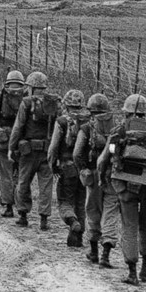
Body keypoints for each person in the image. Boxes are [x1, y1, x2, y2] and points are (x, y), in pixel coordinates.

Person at [96, 94, 146, 285]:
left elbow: (103, 159)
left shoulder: (119, 130)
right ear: (144, 112)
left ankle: (132, 273)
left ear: (127, 112)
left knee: (129, 227)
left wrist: (101, 177)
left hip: (125, 186)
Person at [73, 93, 120, 268]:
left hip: (93, 176)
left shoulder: (86, 128)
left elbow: (77, 153)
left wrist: (82, 169)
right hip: (113, 176)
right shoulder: (116, 127)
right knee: (110, 212)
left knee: (92, 211)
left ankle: (93, 252)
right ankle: (106, 255)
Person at [8, 71, 57, 229]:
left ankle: (23, 216)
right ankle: (44, 219)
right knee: (46, 186)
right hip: (47, 151)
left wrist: (11, 147)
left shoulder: (26, 103)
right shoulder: (53, 102)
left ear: (31, 87)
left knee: (23, 182)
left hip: (28, 151)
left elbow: (18, 126)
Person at [48, 88, 88, 247]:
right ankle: (77, 237)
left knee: (65, 200)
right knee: (80, 203)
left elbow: (53, 146)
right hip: (84, 170)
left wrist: (52, 165)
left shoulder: (62, 121)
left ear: (66, 103)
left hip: (67, 167)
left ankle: (72, 221)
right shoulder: (89, 121)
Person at [0, 70, 26, 216]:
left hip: (4, 137)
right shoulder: (27, 97)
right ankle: (18, 200)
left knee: (1, 171)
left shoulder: (2, 95)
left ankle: (8, 205)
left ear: (7, 82)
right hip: (22, 138)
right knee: (19, 173)